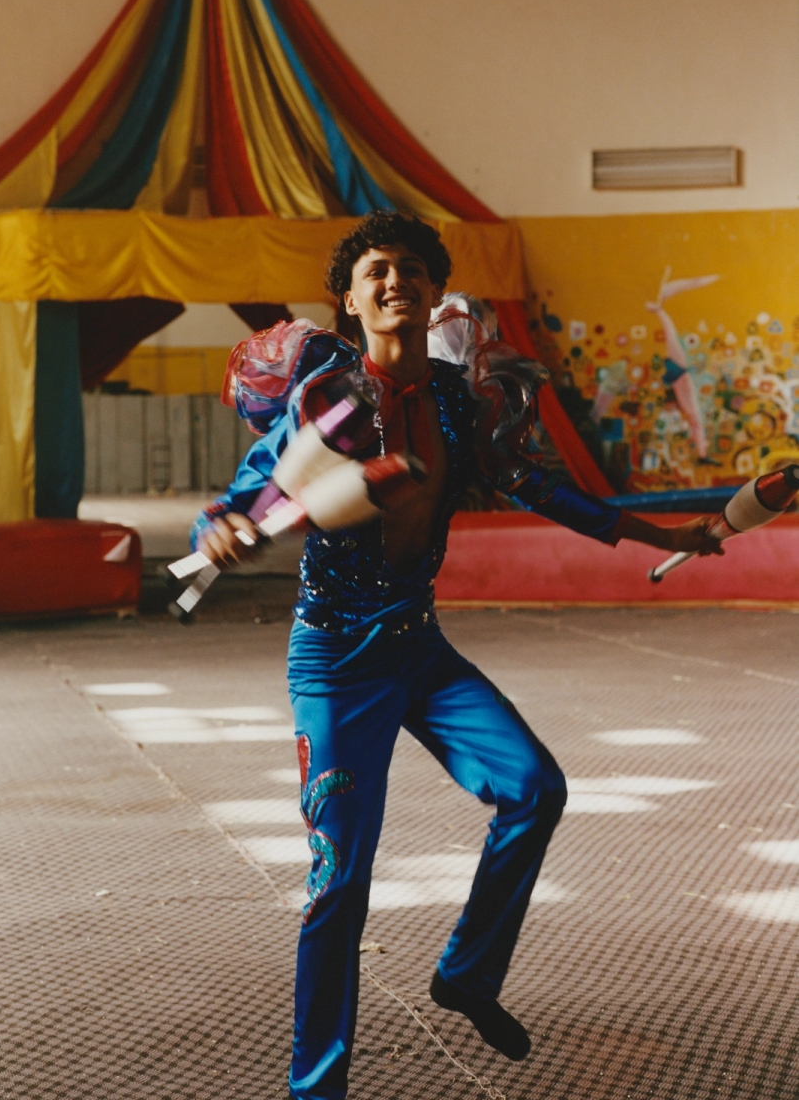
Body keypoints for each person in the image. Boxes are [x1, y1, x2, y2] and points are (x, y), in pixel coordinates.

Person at [191, 212, 722, 1100]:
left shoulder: (454, 401)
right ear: (352, 301)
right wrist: (222, 532)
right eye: (375, 272)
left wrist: (658, 531)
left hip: (419, 650)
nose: (394, 282)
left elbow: (543, 490)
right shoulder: (322, 401)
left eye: (410, 270)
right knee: (337, 885)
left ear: (434, 292)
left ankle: (466, 973)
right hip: (334, 665)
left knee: (535, 788)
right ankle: (315, 1089)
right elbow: (239, 500)